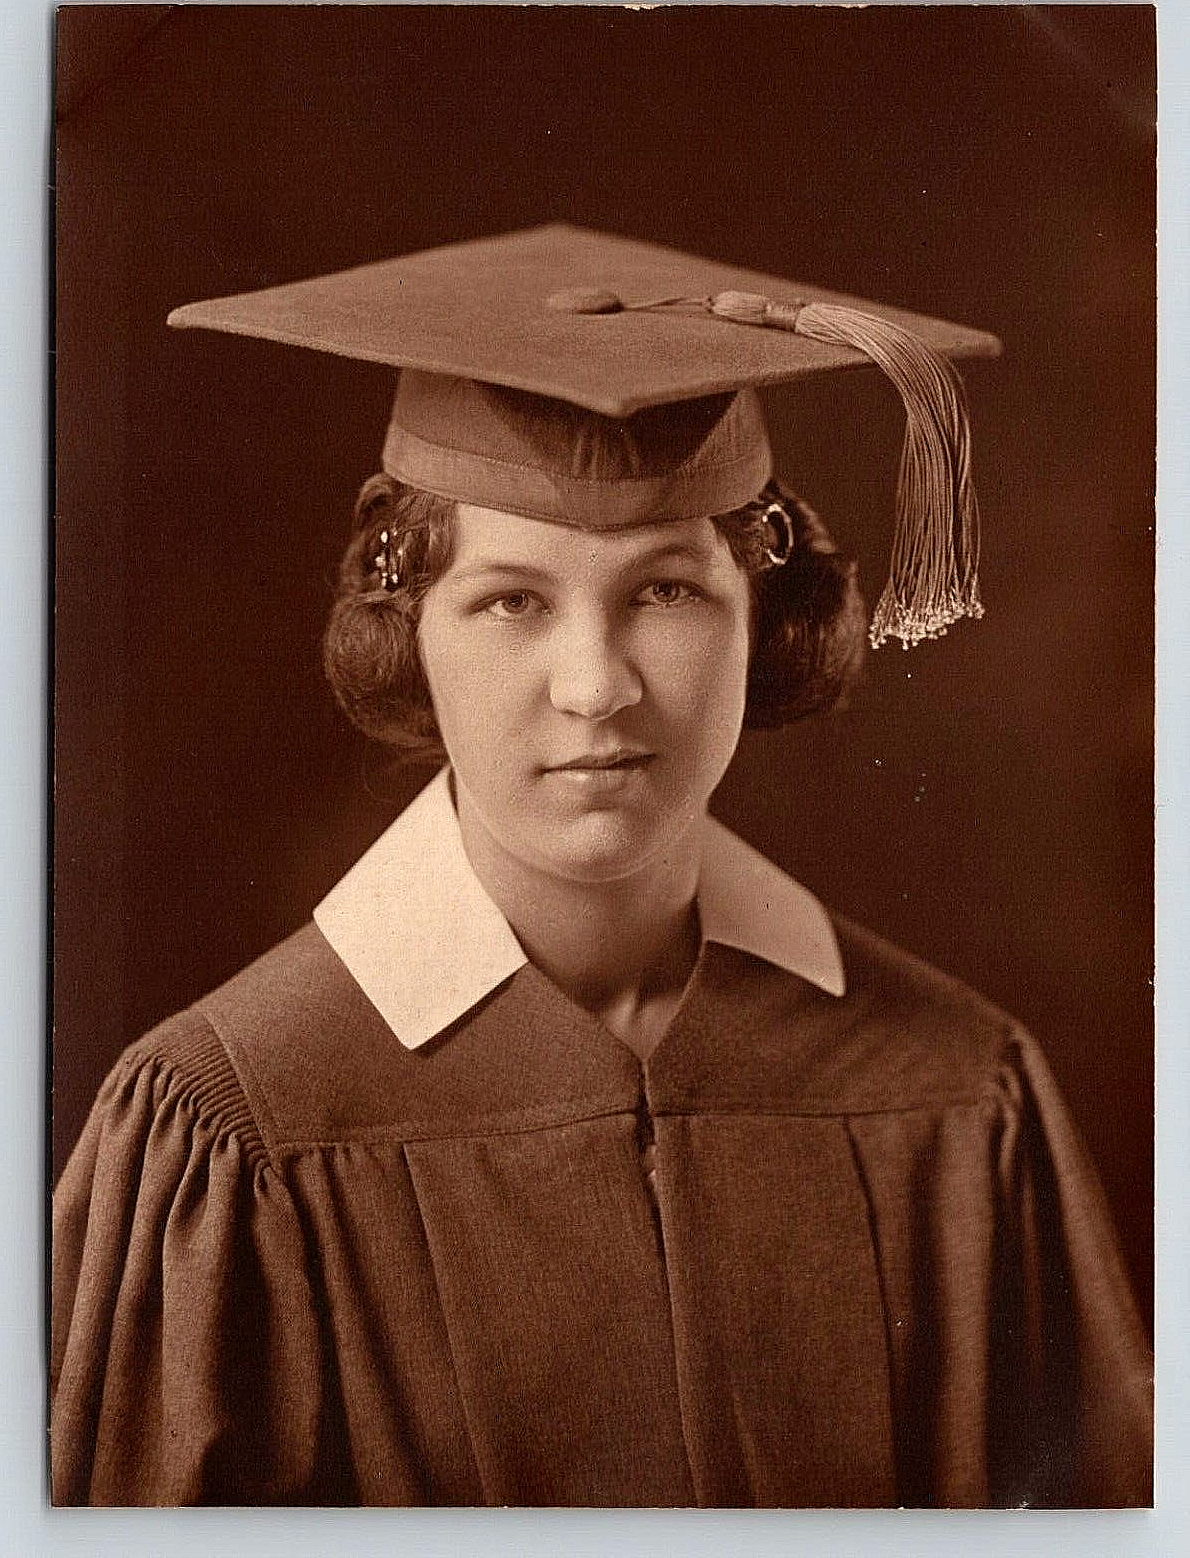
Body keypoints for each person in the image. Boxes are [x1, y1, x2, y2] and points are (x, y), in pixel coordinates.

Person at [51, 224, 1152, 1507]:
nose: (595, 689)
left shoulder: (956, 1092)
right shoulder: (229, 1129)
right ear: (409, 630)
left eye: (667, 594)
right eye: (511, 600)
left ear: (766, 620)